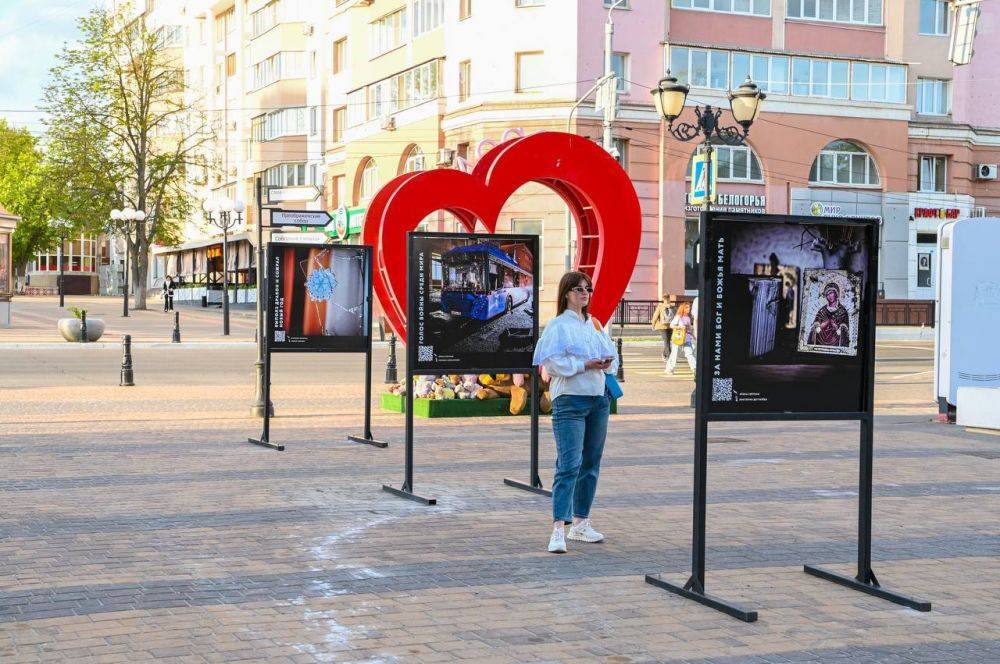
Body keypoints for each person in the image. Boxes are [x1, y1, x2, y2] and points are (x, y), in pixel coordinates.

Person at [533, 271, 618, 554]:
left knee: (591, 463)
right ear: (567, 293)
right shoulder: (558, 325)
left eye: (588, 289)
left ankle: (581, 523)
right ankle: (558, 528)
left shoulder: (594, 324)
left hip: (598, 399)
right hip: (569, 400)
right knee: (569, 464)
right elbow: (552, 365)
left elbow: (612, 358)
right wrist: (585, 365)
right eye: (579, 289)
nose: (585, 293)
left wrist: (605, 363)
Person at [808, 282, 850, 347]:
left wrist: (836, 327)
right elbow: (815, 328)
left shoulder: (842, 311)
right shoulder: (822, 310)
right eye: (827, 294)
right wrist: (822, 325)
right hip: (820, 341)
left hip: (836, 341)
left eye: (831, 293)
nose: (829, 296)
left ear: (836, 293)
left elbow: (845, 330)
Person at [666, 301, 696, 374]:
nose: (688, 309)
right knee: (674, 354)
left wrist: (693, 336)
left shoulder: (688, 318)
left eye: (689, 308)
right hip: (678, 338)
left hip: (687, 339)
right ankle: (669, 369)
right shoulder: (678, 317)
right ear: (683, 308)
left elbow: (689, 329)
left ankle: (694, 369)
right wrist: (680, 327)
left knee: (689, 354)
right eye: (687, 308)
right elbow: (671, 325)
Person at [650, 294, 675, 360]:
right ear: (669, 299)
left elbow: (655, 316)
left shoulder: (660, 307)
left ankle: (664, 354)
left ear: (663, 299)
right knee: (667, 341)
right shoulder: (672, 307)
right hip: (668, 326)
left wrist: (653, 325)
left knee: (667, 341)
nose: (667, 300)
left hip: (665, 326)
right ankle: (670, 357)